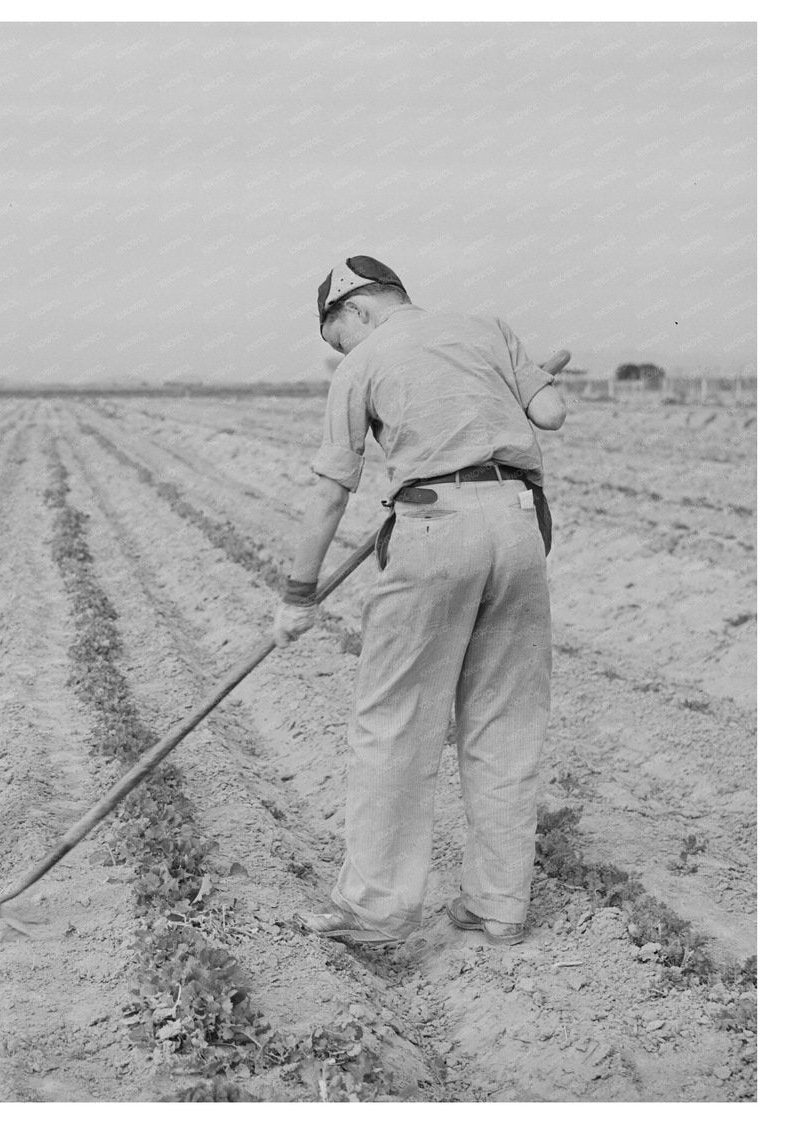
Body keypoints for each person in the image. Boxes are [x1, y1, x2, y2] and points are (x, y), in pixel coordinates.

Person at [275, 256, 567, 947]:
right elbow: (550, 414)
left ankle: (375, 909)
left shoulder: (362, 363)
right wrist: (531, 384)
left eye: (335, 337)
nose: (340, 351)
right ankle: (498, 908)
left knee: (395, 721)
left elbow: (329, 493)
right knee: (503, 722)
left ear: (356, 311)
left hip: (436, 527)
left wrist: (297, 595)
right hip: (519, 523)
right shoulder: (486, 328)